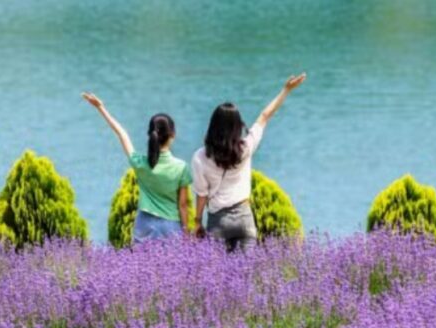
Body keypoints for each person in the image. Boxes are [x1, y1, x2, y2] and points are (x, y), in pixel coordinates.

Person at [191, 74, 306, 251]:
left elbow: (201, 194)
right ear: (238, 127)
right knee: (246, 275)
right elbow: (265, 116)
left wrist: (197, 222)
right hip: (244, 218)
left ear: (212, 126)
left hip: (218, 221)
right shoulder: (245, 148)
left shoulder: (200, 157)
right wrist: (286, 90)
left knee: (216, 276)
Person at [82, 92, 192, 244]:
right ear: (172, 135)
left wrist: (101, 108)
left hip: (144, 225)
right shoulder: (181, 168)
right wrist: (186, 233)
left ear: (150, 135)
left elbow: (121, 133)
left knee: (141, 267)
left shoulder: (140, 163)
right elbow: (183, 205)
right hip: (170, 227)